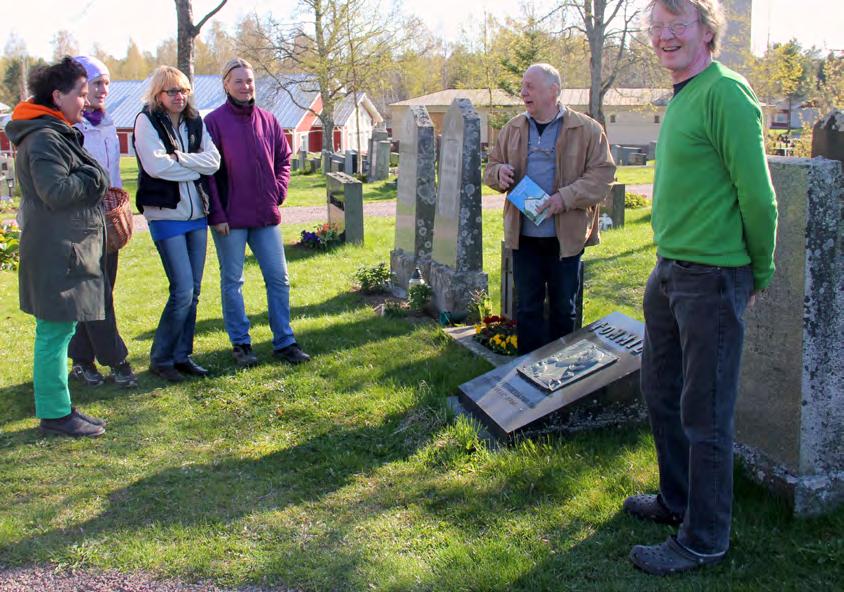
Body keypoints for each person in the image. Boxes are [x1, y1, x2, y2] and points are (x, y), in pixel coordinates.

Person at [623, 0, 778, 575]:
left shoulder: (726, 93)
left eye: (676, 27)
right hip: (671, 270)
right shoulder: (685, 93)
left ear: (706, 32)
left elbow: (758, 197)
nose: (664, 38)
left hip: (713, 276)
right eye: (656, 29)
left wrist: (757, 270)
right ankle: (677, 500)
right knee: (661, 389)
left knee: (706, 412)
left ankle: (705, 539)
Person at [6, 57, 110, 437]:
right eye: (81, 94)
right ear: (57, 95)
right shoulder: (46, 137)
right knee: (54, 334)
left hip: (59, 246)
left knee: (58, 332)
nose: (86, 101)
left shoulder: (53, 131)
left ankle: (59, 405)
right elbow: (57, 191)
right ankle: (54, 414)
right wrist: (94, 176)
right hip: (56, 249)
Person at [484, 63, 615, 354]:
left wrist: (563, 199)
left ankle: (560, 378)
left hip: (565, 239)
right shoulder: (512, 128)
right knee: (527, 308)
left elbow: (602, 176)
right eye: (522, 86)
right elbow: (491, 167)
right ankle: (527, 375)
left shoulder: (587, 129)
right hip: (525, 237)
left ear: (553, 91)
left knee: (563, 309)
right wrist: (499, 173)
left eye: (530, 86)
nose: (523, 92)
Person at [204, 58, 310, 367]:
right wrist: (218, 214)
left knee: (278, 278)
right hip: (230, 220)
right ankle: (241, 343)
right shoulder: (214, 122)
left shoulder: (268, 120)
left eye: (249, 80)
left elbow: (284, 158)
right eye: (238, 81)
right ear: (226, 84)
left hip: (265, 216)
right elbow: (208, 175)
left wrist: (278, 192)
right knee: (233, 281)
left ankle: (284, 341)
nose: (245, 86)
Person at [133, 66, 220, 382]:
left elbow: (214, 162)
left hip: (196, 214)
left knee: (194, 291)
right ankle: (161, 357)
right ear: (158, 94)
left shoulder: (195, 121)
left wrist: (180, 160)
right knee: (182, 289)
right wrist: (195, 166)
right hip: (166, 214)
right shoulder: (146, 121)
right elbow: (155, 167)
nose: (179, 97)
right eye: (172, 91)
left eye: (183, 90)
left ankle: (182, 355)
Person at [67, 55, 138, 389]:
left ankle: (81, 360)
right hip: (81, 221)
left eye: (107, 82)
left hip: (108, 219)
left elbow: (113, 172)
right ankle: (117, 360)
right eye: (97, 83)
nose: (103, 89)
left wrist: (120, 207)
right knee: (97, 293)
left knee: (101, 290)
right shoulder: (72, 126)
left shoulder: (106, 121)